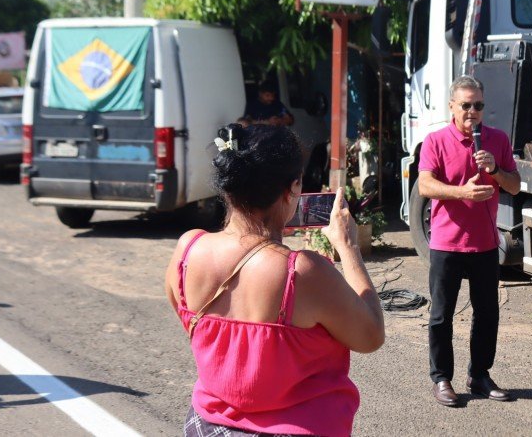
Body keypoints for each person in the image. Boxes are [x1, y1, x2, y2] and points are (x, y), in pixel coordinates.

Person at [164, 123, 384, 436]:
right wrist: (348, 248)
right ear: (293, 189)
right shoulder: (303, 271)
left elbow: (193, 323)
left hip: (207, 426)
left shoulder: (188, 249)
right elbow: (370, 335)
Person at [417, 75, 521, 407]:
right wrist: (461, 193)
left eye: (478, 106)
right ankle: (441, 378)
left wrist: (495, 172)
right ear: (452, 107)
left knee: (487, 313)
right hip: (447, 243)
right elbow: (425, 186)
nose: (472, 112)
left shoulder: (497, 140)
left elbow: (516, 186)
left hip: (485, 244)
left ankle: (479, 375)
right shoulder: (435, 140)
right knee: (441, 315)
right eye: (466, 105)